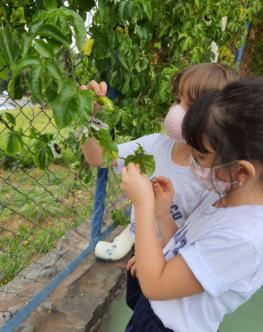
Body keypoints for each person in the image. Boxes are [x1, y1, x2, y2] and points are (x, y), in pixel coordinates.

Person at [113, 78, 263, 332]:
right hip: (153, 317)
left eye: (201, 155)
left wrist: (143, 205)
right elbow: (186, 248)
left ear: (242, 171)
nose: (192, 159)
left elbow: (155, 284)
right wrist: (162, 215)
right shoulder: (225, 196)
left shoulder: (244, 239)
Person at [81, 63, 240, 309]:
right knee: (139, 312)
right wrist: (88, 119)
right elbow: (99, 157)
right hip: (140, 254)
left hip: (172, 270)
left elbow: (195, 247)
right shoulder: (155, 146)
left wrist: (157, 256)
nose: (176, 110)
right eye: (177, 100)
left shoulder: (215, 181)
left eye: (188, 105)